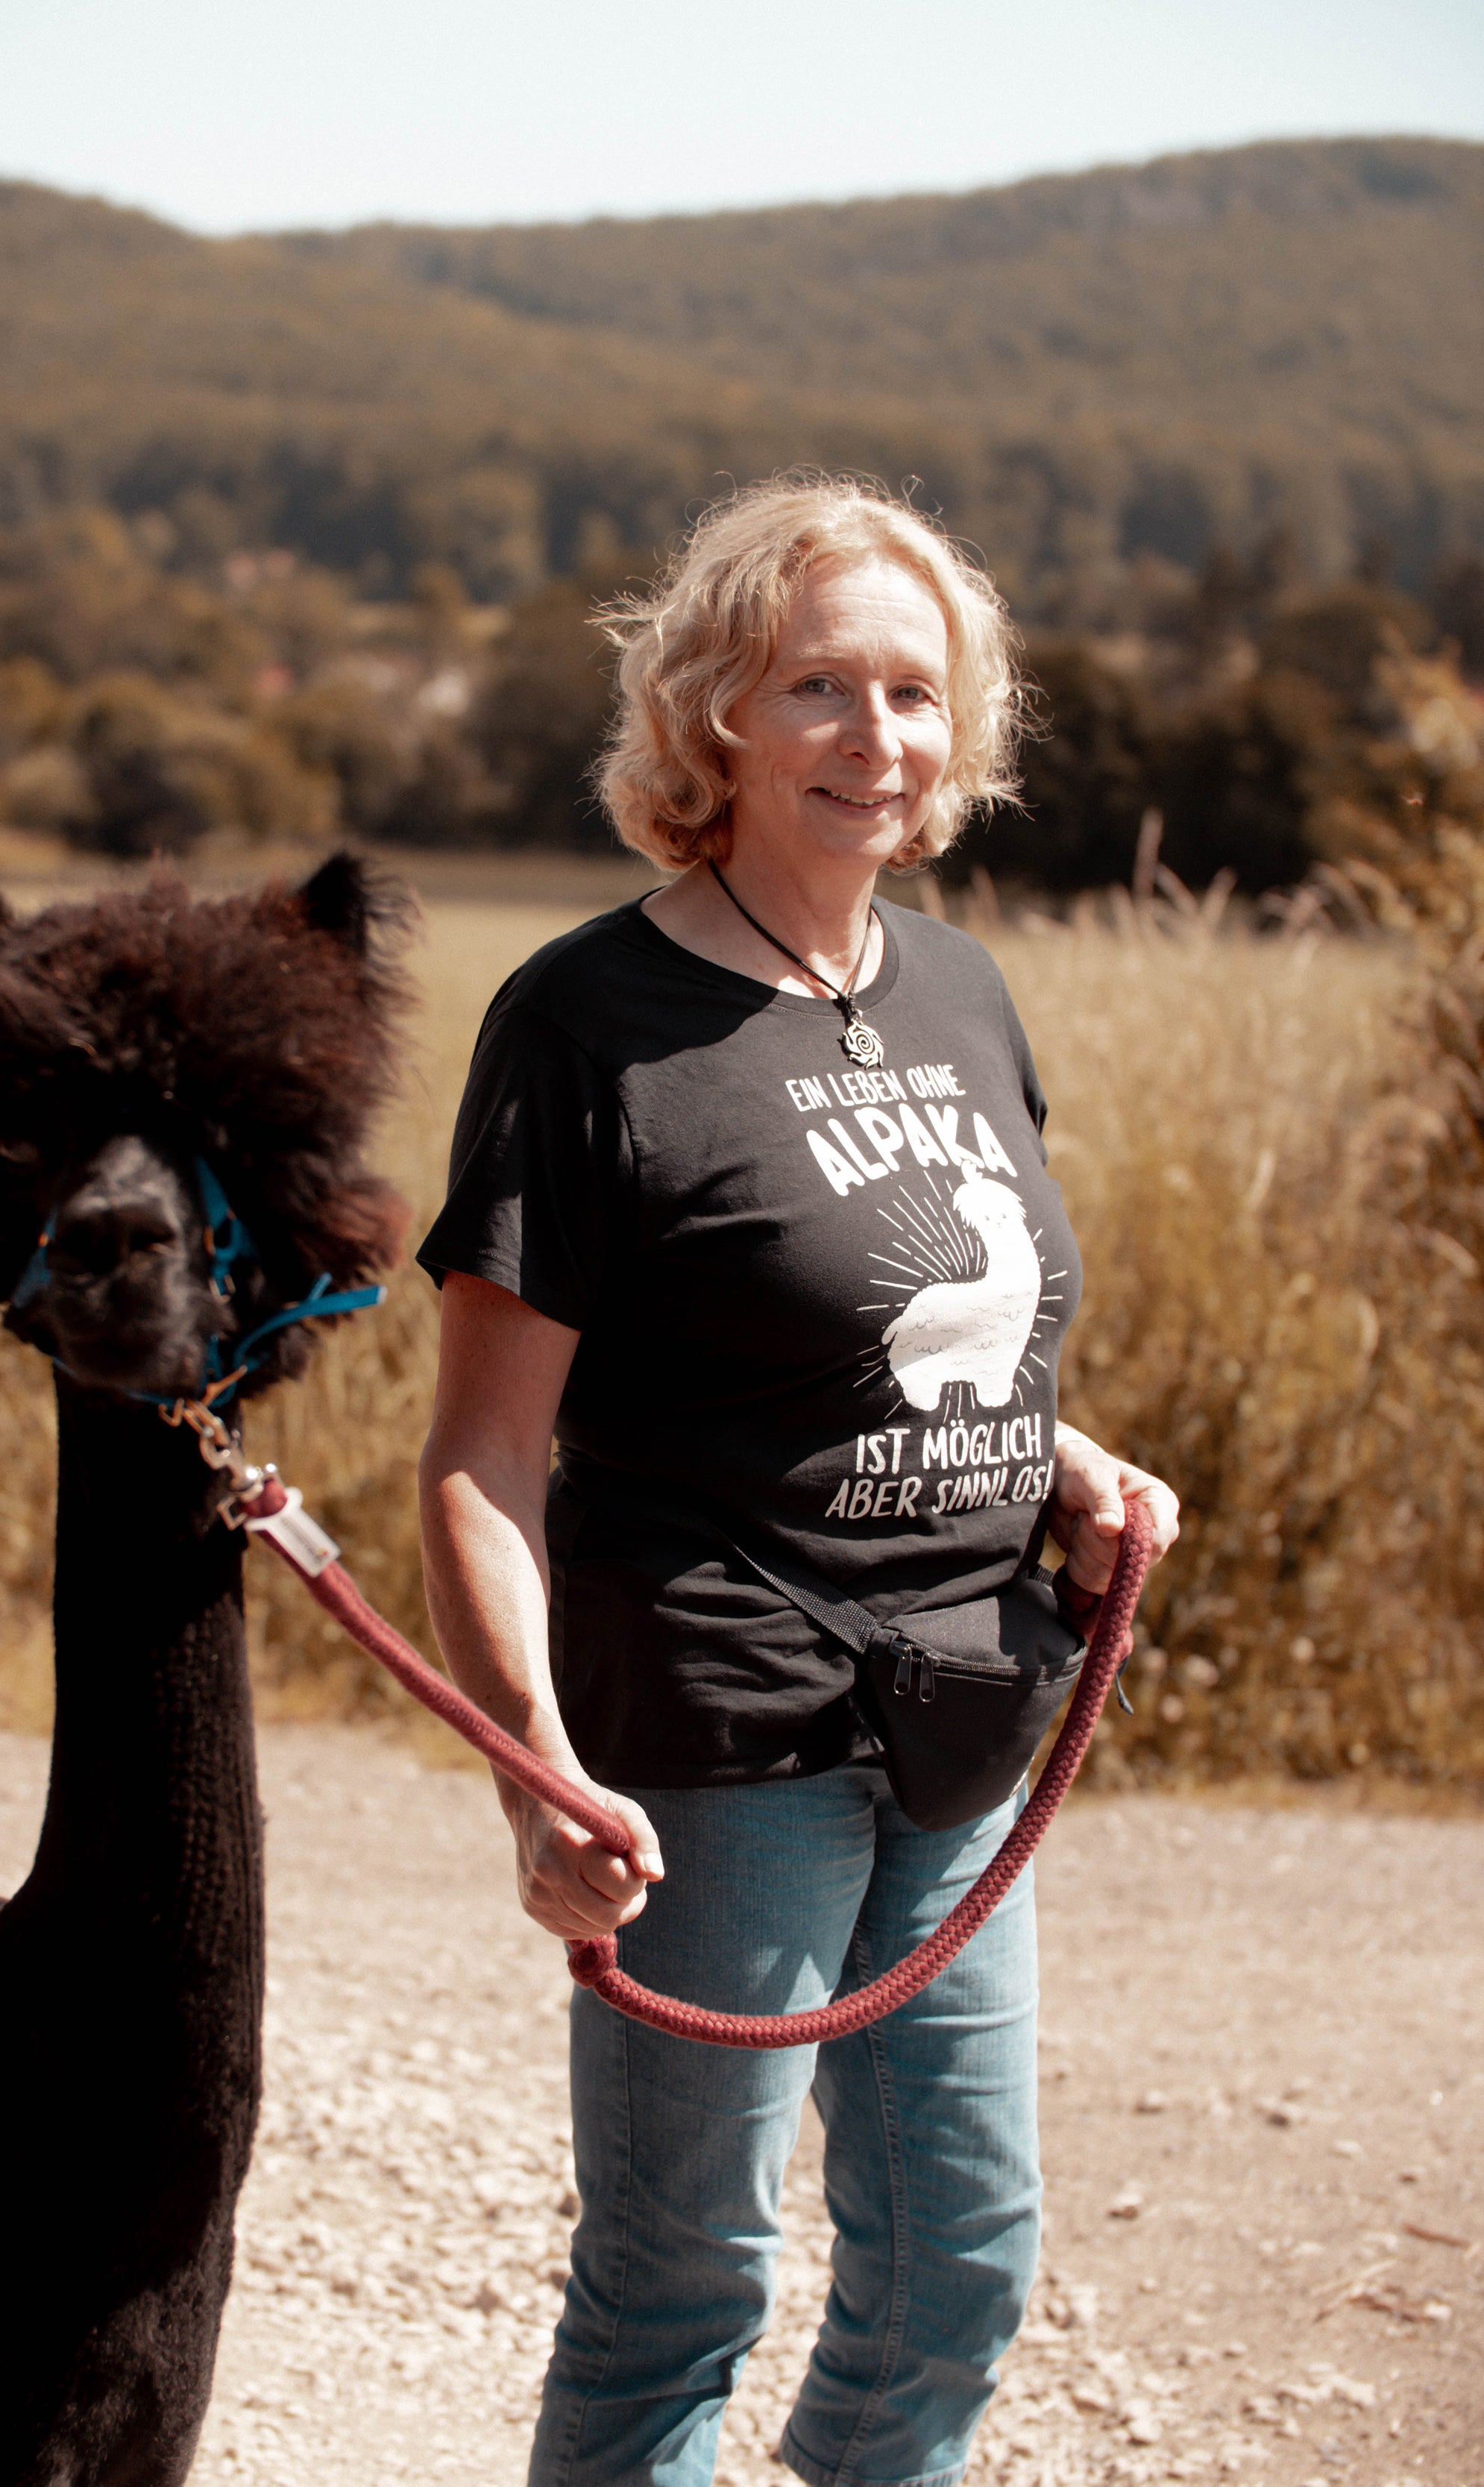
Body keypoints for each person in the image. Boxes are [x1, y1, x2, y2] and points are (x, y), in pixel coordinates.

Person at [415, 474, 1179, 2487]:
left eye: (913, 694)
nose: (877, 738)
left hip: (965, 1716)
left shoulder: (957, 992)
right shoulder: (589, 1023)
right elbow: (483, 1462)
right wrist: (535, 1776)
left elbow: (910, 1328)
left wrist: (1066, 1463)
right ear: (716, 714)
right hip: (720, 1744)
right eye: (818, 685)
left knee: (959, 2269)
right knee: (682, 2286)